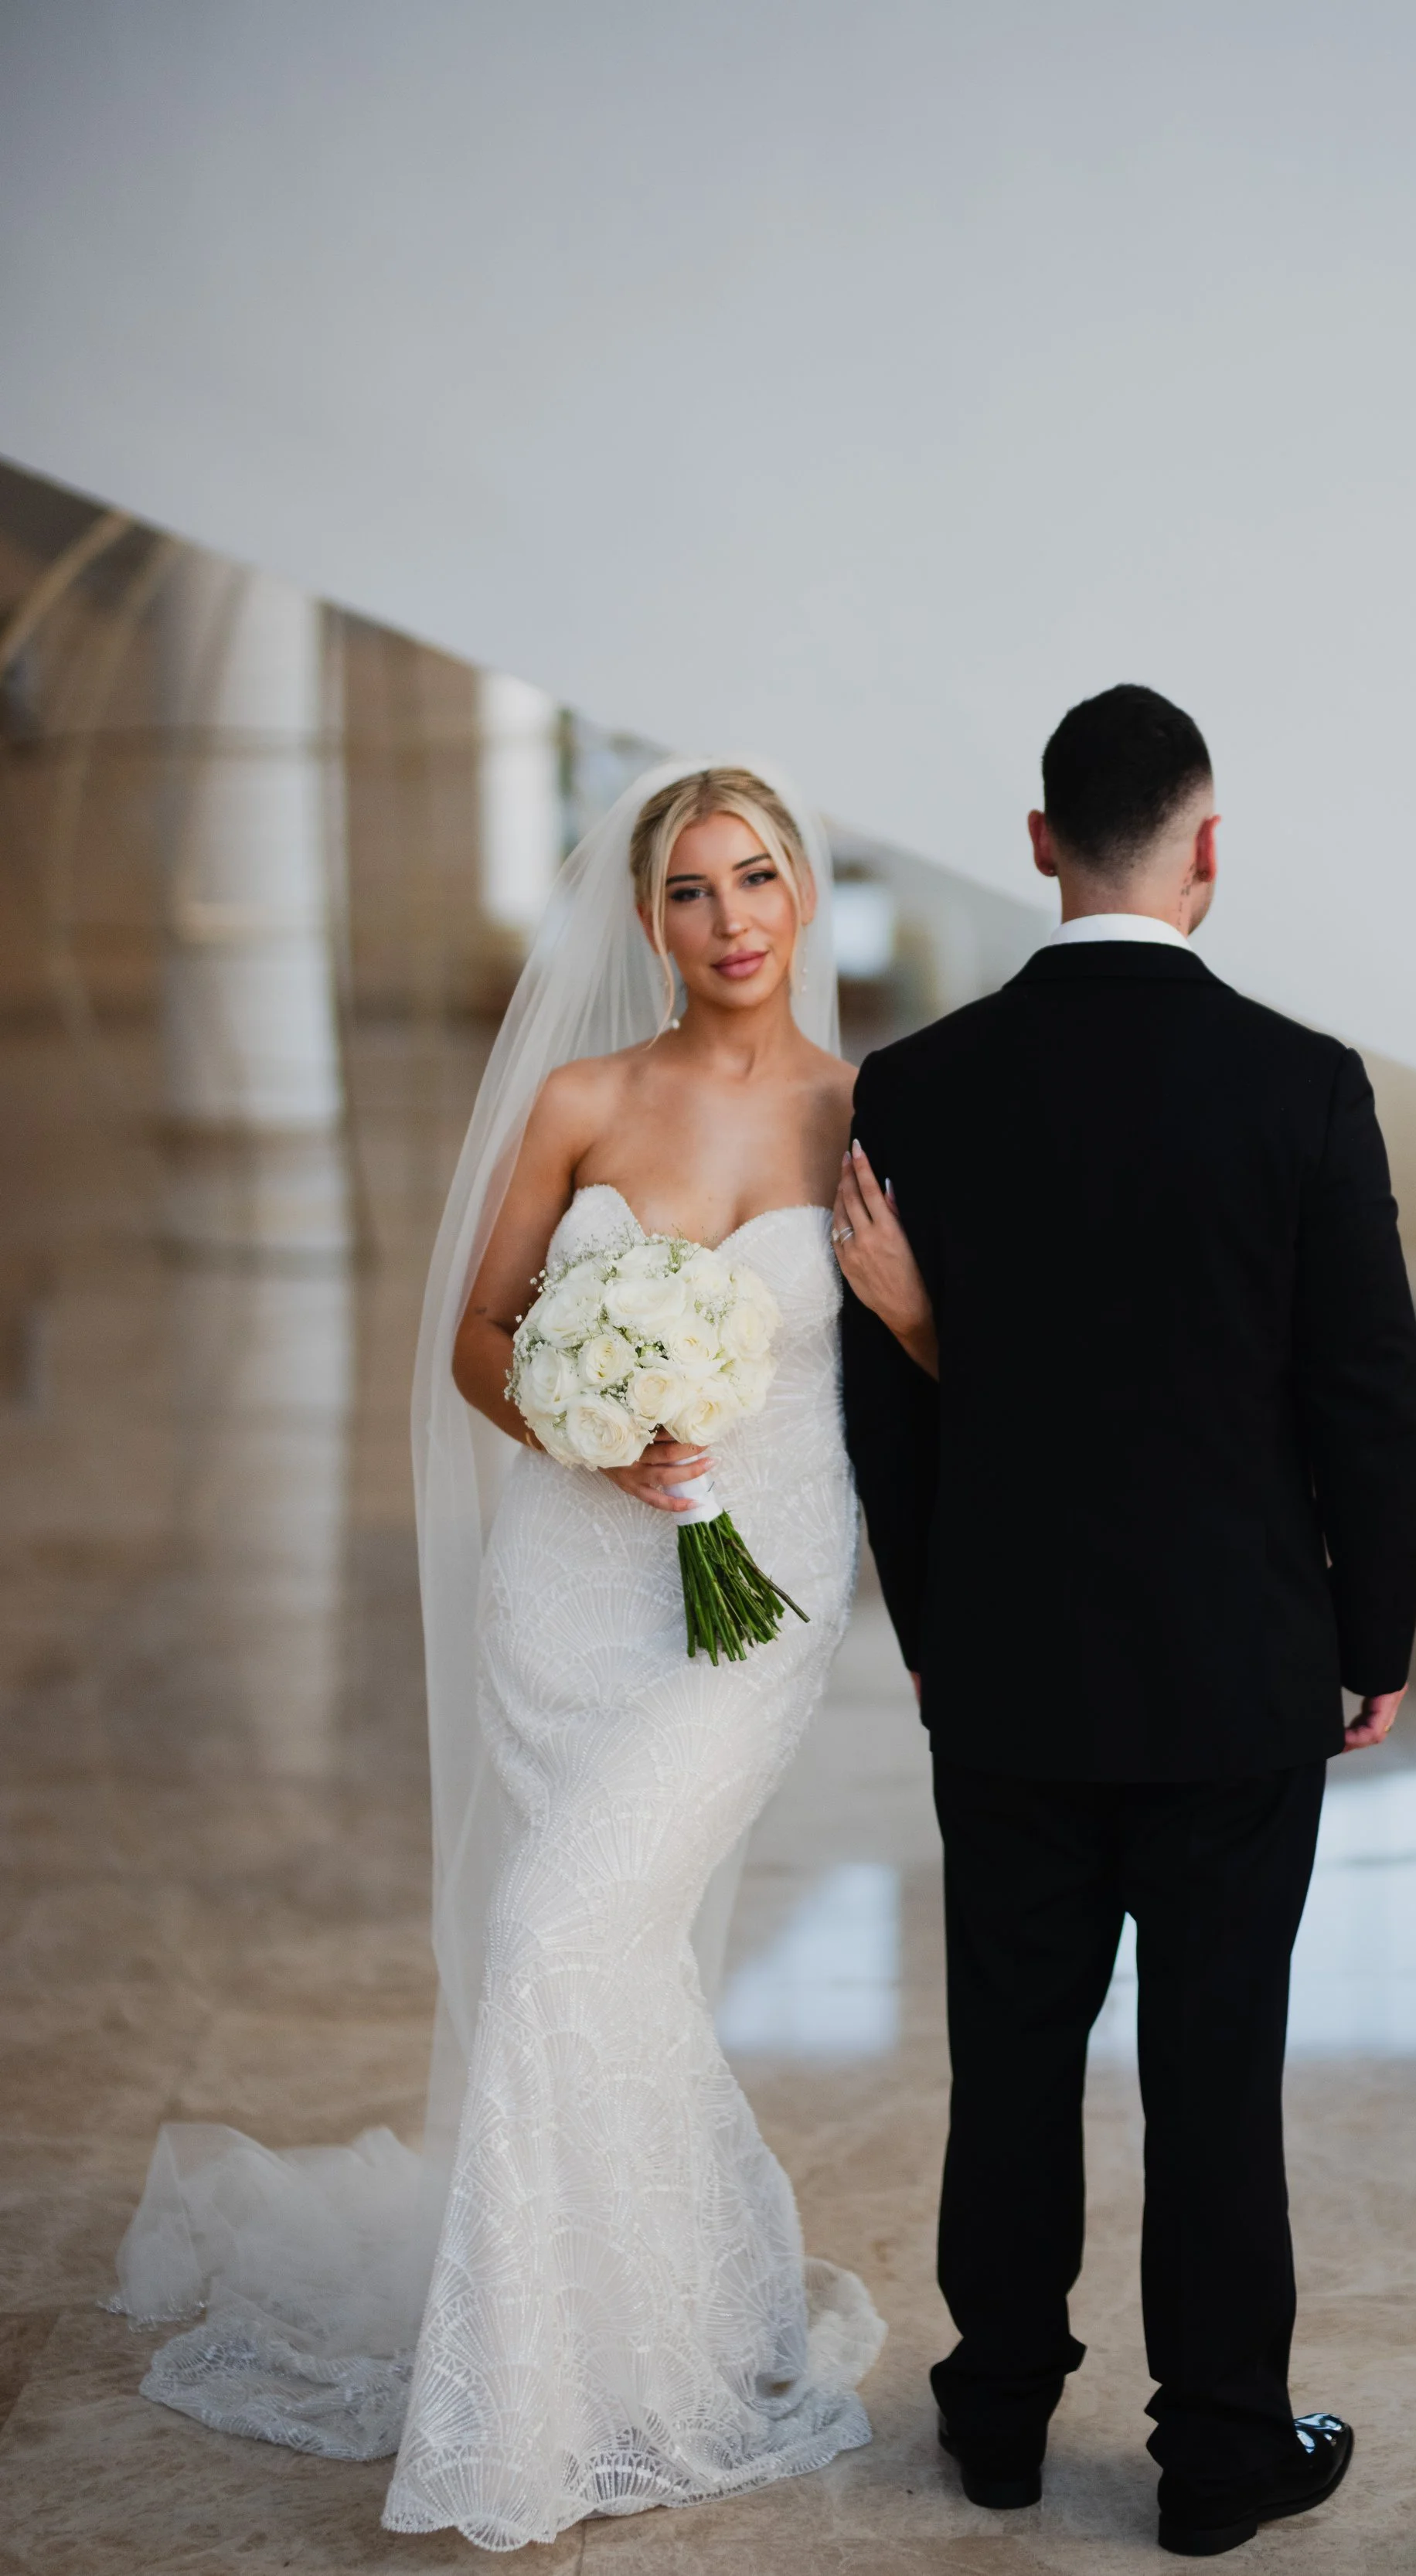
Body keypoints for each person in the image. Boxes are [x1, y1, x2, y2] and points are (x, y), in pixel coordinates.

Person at [114, 760, 912, 2552]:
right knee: (585, 1948)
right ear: (644, 918)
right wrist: (590, 1432)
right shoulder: (581, 1097)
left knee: (560, 1927)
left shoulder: (868, 1116)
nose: (728, 919)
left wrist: (917, 1315)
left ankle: (567, 2372)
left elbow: (933, 1371)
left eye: (755, 878)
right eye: (690, 888)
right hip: (565, 1580)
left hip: (756, 1593)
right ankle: (627, 2329)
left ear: (801, 892)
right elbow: (482, 1336)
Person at [835, 685, 1416, 2559]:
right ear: (1205, 847)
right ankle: (1221, 2453)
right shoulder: (1300, 1083)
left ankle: (998, 2416)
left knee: (1008, 2057)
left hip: (1006, 1668)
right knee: (1213, 2075)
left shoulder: (917, 1088)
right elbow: (1364, 1393)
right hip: (1235, 1672)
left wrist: (929, 1623)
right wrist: (1372, 1635)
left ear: (1037, 844)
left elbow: (887, 1400)